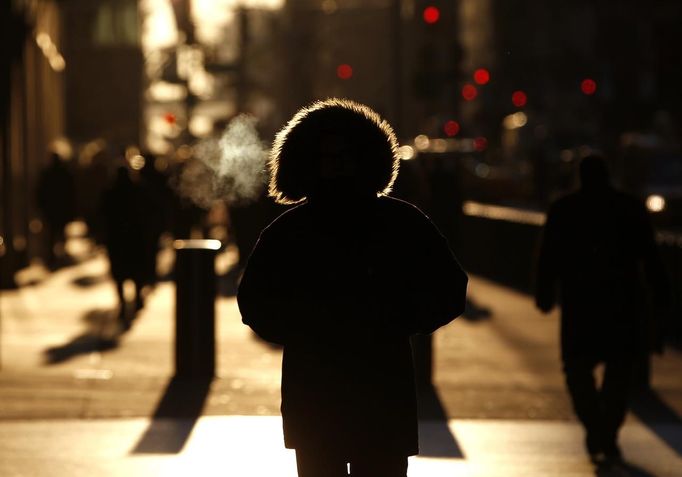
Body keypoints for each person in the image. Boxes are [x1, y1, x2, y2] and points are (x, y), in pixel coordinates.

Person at [237, 99, 468, 477]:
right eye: (330, 157)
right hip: (376, 387)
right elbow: (448, 288)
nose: (338, 165)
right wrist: (396, 322)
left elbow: (255, 302)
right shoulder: (401, 222)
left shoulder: (290, 230)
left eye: (345, 156)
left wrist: (304, 330)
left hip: (320, 389)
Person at [535, 154, 669, 466]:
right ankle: (607, 429)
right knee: (620, 373)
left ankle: (594, 424)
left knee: (577, 370)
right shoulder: (629, 208)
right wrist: (661, 297)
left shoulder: (564, 209)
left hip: (580, 304)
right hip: (622, 304)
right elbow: (651, 258)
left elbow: (548, 258)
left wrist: (544, 294)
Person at [99, 166, 150, 326]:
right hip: (134, 238)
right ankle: (136, 298)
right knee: (136, 271)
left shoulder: (111, 192)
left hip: (117, 239)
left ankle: (123, 302)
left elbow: (101, 215)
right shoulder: (138, 190)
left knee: (119, 274)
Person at [37, 152, 76, 268]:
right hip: (60, 209)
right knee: (59, 232)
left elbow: (41, 192)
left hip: (51, 209)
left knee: (52, 233)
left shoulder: (47, 174)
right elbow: (71, 192)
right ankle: (60, 254)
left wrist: (41, 206)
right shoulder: (64, 173)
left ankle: (53, 256)